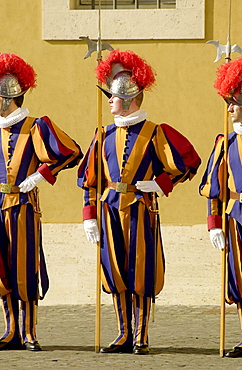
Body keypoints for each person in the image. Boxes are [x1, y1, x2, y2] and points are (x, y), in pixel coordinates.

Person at [78, 49, 201, 355]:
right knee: (115, 270)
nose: (108, 100)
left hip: (140, 210)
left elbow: (187, 163)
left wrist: (159, 184)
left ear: (130, 98)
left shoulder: (154, 132)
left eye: (113, 96)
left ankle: (141, 336)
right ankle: (122, 333)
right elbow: (90, 178)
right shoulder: (102, 134)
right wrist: (88, 215)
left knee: (141, 272)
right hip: (109, 209)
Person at [0, 53, 82, 351]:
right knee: (2, 270)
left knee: (25, 268)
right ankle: (11, 331)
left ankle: (29, 331)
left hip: (23, 206)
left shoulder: (36, 126)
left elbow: (71, 152)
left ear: (8, 97)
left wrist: (40, 175)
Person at [199, 56, 242, 358]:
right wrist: (214, 223)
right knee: (241, 279)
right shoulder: (225, 144)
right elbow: (215, 188)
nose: (228, 109)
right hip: (236, 217)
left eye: (234, 102)